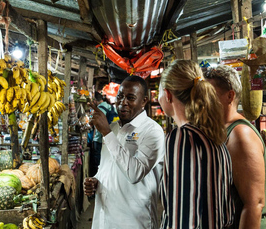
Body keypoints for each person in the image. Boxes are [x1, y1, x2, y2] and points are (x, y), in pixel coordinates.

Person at [158, 60, 234, 229]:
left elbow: (183, 218)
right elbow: (227, 214)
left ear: (168, 94)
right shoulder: (214, 136)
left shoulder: (182, 138)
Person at [84, 76, 165, 229]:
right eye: (120, 96)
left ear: (144, 101)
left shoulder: (152, 131)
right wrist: (96, 181)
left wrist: (107, 133)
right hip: (104, 219)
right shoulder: (113, 127)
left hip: (133, 221)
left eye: (131, 97)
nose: (123, 102)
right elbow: (107, 168)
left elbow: (134, 174)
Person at [205, 65, 266, 229]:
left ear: (230, 96)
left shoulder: (241, 135)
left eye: (209, 95)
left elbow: (254, 204)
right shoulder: (223, 129)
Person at [88, 91, 118, 176]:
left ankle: (96, 180)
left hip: (100, 139)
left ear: (94, 101)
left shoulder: (100, 108)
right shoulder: (111, 107)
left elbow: (97, 124)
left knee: (97, 163)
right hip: (110, 138)